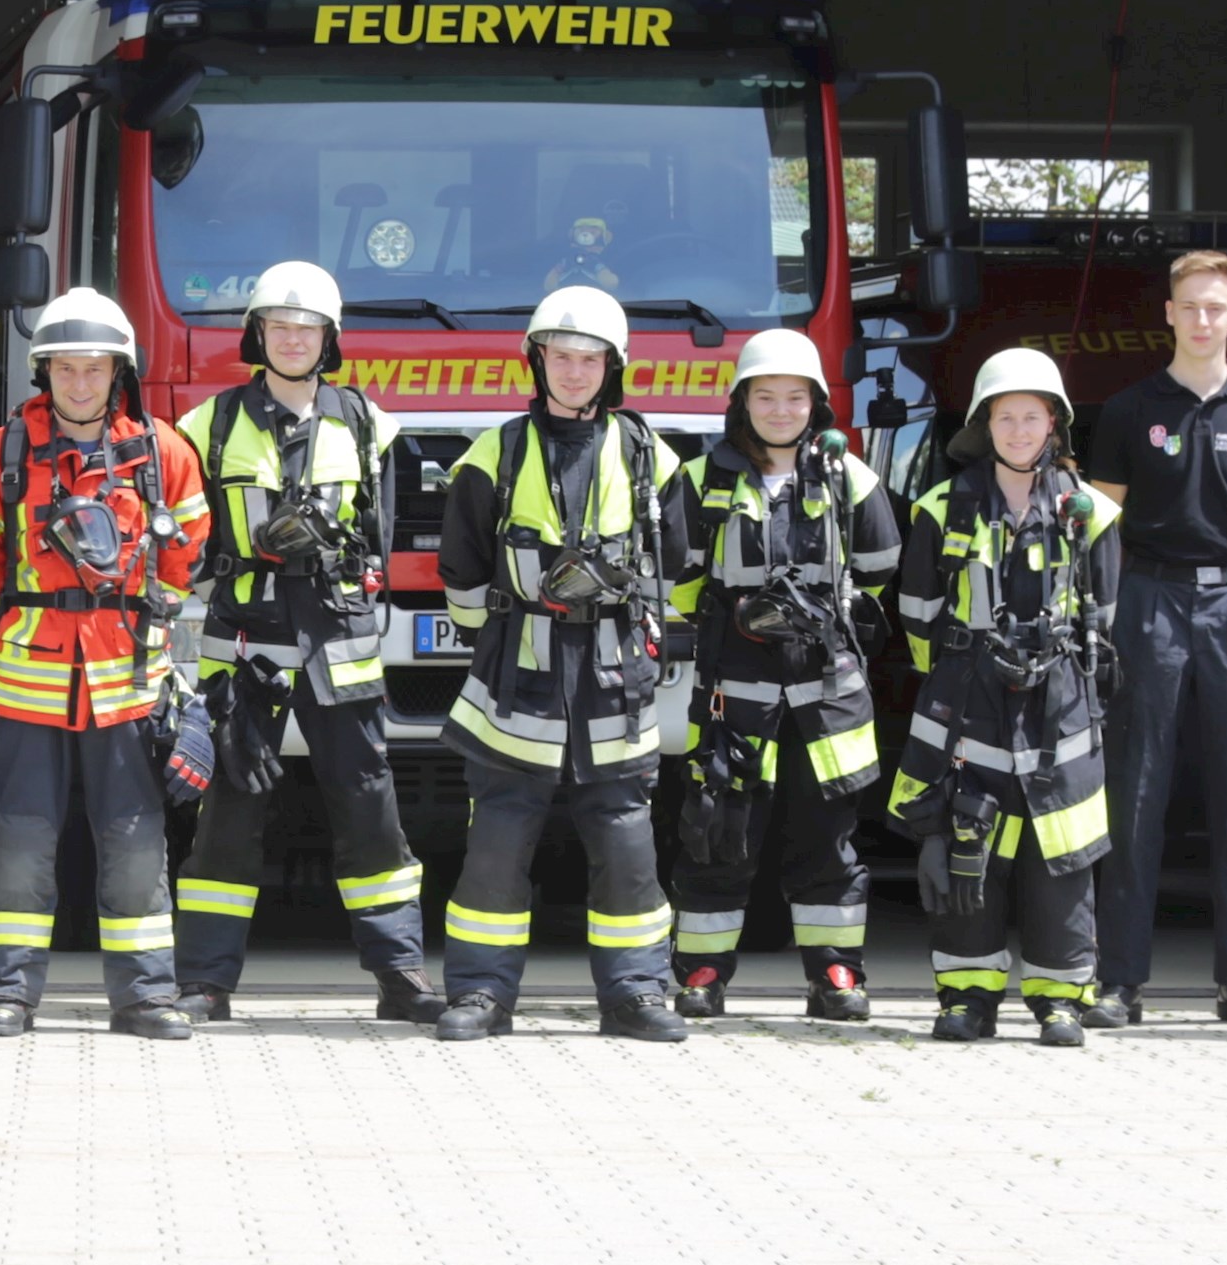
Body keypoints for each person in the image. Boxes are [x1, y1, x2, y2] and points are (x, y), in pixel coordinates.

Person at [167, 262, 438, 1026]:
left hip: (338, 636)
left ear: (329, 338)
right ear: (258, 335)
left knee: (368, 805)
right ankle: (206, 982)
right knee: (229, 809)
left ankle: (400, 975)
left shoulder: (367, 424)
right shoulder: (207, 426)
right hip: (244, 636)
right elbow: (188, 542)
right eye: (280, 326)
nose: (293, 338)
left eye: (307, 327)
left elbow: (377, 532)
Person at [0, 288, 208, 1042]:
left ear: (119, 371)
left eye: (96, 370)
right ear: (44, 372)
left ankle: (145, 998)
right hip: (27, 687)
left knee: (134, 842)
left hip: (129, 684)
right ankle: (10, 995)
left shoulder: (164, 453)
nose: (82, 384)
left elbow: (186, 561)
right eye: (67, 369)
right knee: (22, 844)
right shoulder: (4, 451)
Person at [428, 285, 687, 1043]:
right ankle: (480, 994)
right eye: (561, 357)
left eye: (590, 359)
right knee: (498, 841)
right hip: (519, 676)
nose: (575, 372)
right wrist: (499, 648)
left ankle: (636, 993)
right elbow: (462, 570)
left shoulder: (650, 454)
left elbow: (673, 558)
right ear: (536, 360)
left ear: (613, 367)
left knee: (627, 841)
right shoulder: (494, 453)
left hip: (612, 680)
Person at [1081, 250, 1227, 1030]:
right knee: (1136, 793)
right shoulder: (1128, 407)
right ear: (1168, 313)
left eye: (1218, 307)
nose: (1203, 318)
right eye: (1190, 305)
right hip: (1149, 600)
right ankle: (1119, 981)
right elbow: (1099, 526)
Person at [658, 328, 899, 1022]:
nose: (782, 410)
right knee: (716, 829)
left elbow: (882, 564)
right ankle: (701, 972)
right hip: (737, 688)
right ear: (743, 402)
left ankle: (836, 975)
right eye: (767, 396)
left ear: (817, 404)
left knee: (828, 836)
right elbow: (679, 576)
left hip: (826, 693)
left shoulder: (849, 475)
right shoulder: (706, 478)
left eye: (796, 397)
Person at [892, 348, 1120, 1047]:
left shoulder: (1095, 513)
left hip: (1060, 706)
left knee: (1065, 855)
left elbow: (1103, 620)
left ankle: (1060, 999)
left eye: (1032, 415)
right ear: (983, 425)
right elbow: (918, 617)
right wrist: (963, 680)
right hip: (969, 703)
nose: (1019, 429)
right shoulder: (939, 507)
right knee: (971, 844)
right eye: (1005, 416)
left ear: (1055, 423)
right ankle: (967, 995)